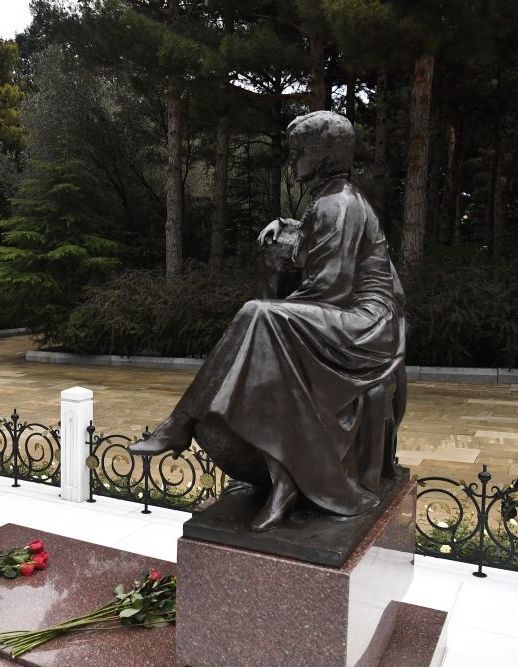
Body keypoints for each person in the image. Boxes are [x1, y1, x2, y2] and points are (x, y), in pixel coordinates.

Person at [131, 111, 406, 533]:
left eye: (299, 152)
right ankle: (283, 480)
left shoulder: (340, 203)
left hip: (367, 326)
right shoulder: (331, 200)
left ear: (323, 155)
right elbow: (318, 249)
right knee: (264, 325)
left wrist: (276, 310)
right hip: (353, 320)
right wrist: (292, 228)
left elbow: (327, 289)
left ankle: (181, 422)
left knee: (259, 315)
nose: (292, 161)